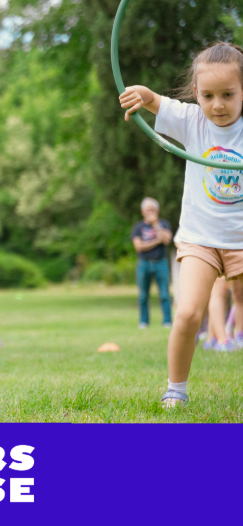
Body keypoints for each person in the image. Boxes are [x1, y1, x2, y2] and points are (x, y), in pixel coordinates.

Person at [120, 42, 243, 407]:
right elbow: (154, 99)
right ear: (196, 93)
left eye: (228, 95)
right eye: (207, 95)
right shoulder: (193, 120)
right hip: (199, 240)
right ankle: (176, 389)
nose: (217, 104)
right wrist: (140, 94)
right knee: (188, 312)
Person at [131, 197, 173, 329]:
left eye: (153, 209)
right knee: (143, 295)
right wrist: (157, 241)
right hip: (144, 264)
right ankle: (144, 321)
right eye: (148, 210)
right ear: (142, 211)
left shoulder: (164, 224)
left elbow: (166, 240)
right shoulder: (138, 228)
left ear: (157, 210)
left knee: (165, 294)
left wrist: (156, 224)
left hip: (161, 262)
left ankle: (167, 321)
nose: (150, 212)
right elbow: (139, 246)